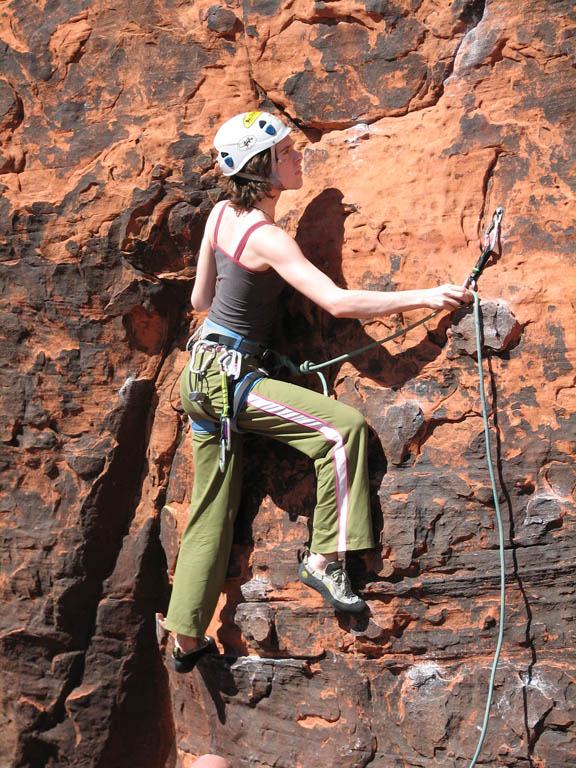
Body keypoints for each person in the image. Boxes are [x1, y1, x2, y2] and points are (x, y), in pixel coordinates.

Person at [160, 111, 472, 672]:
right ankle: (327, 558)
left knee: (212, 507)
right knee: (342, 428)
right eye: (287, 150)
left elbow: (200, 302)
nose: (299, 154)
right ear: (264, 166)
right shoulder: (269, 238)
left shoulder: (219, 217)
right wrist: (428, 296)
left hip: (199, 377)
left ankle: (185, 637)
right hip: (232, 379)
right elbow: (339, 303)